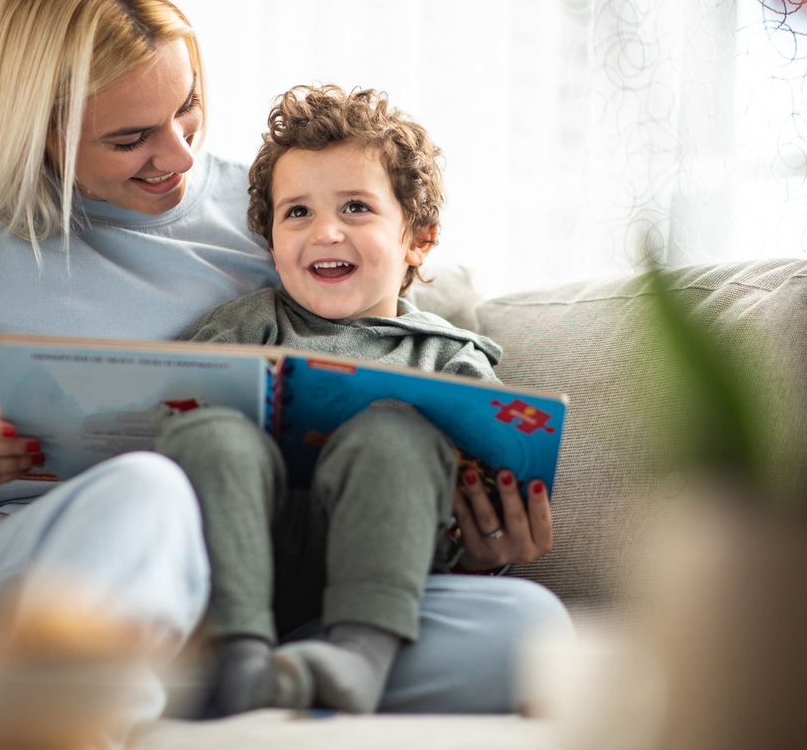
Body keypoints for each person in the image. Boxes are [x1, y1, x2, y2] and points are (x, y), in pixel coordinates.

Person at [0, 0, 567, 726]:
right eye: (130, 137)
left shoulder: (273, 207)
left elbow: (376, 321)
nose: (177, 154)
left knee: (531, 630)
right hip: (23, 579)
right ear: (41, 131)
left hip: (251, 594)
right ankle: (110, 707)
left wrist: (476, 543)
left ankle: (255, 686)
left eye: (187, 105)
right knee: (151, 488)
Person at [153, 85, 565, 716]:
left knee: (395, 434)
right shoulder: (245, 324)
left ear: (417, 241)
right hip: (246, 555)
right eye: (297, 213)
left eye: (354, 207)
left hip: (385, 573)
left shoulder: (449, 359)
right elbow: (159, 425)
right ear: (270, 240)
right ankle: (238, 657)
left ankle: (359, 658)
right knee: (207, 432)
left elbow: (495, 477)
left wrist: (490, 545)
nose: (324, 232)